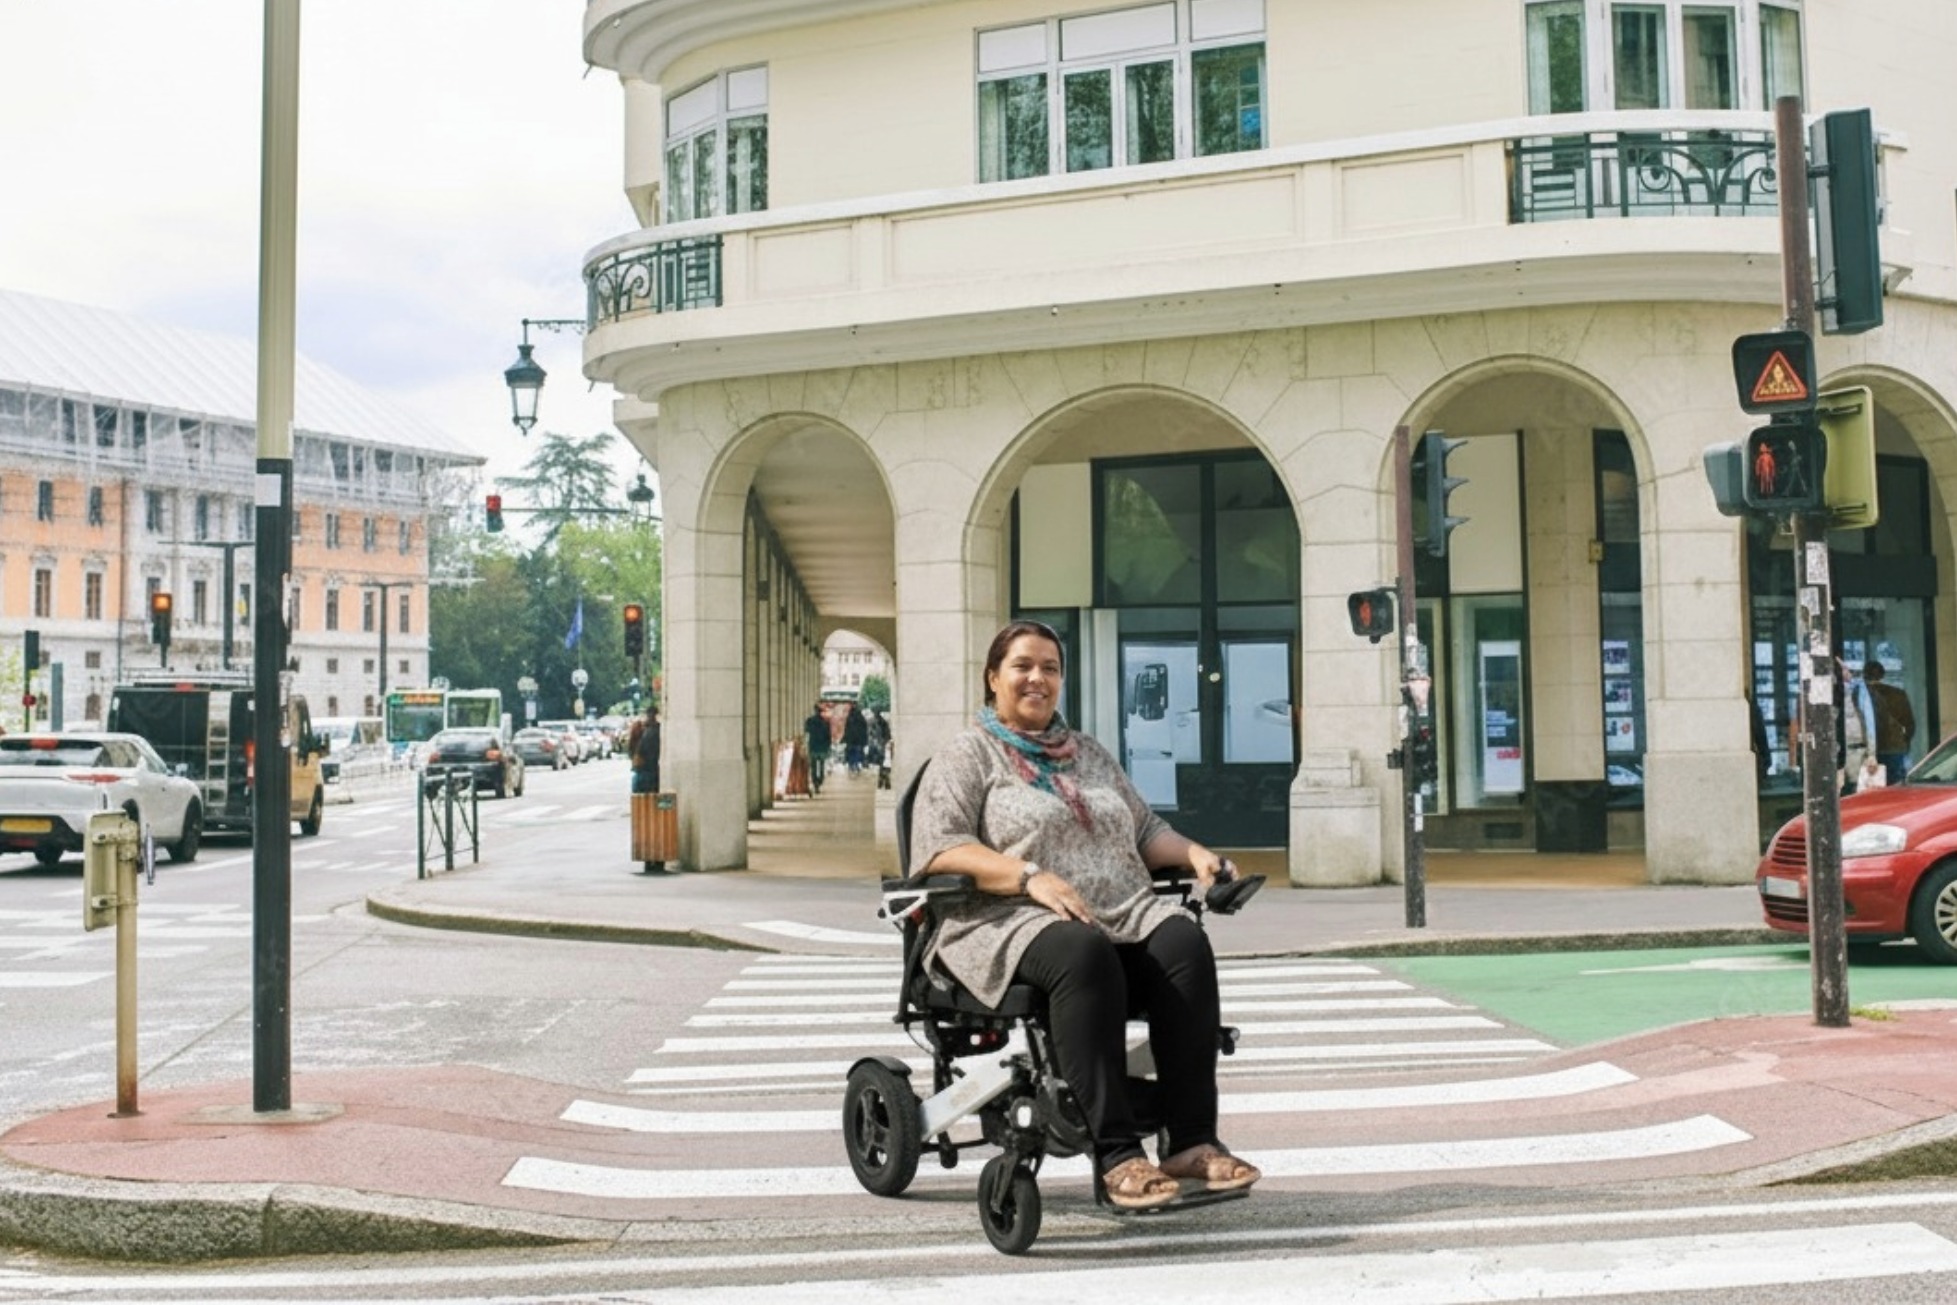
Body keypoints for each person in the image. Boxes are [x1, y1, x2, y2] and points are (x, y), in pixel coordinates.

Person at [908, 619, 1260, 1211]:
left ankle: (1192, 1141)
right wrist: (1029, 876)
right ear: (993, 678)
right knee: (1082, 948)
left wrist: (1196, 854)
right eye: (1022, 666)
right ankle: (1119, 1156)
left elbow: (1146, 829)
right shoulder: (966, 755)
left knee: (1182, 942)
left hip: (1117, 909)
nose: (1037, 678)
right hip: (1005, 919)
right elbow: (941, 849)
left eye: (1049, 667)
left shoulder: (1088, 754)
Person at [1864, 660, 1915, 784]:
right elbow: (1910, 724)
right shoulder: (1898, 694)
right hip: (1894, 746)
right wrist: (1905, 742)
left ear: (1864, 674)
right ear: (1883, 675)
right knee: (1896, 787)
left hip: (1869, 749)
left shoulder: (1861, 693)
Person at [630, 705, 661, 794]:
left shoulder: (643, 729)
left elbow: (635, 749)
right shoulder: (655, 729)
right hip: (651, 768)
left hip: (644, 768)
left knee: (639, 795)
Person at [802, 703, 831, 793]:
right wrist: (828, 746)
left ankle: (815, 783)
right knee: (821, 765)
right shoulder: (825, 722)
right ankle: (820, 780)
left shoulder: (809, 721)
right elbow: (828, 736)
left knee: (814, 766)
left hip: (813, 746)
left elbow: (806, 731)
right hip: (822, 747)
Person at [842, 701, 869, 776]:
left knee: (851, 752)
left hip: (851, 739)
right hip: (858, 740)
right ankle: (855, 765)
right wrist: (864, 740)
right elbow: (864, 729)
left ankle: (852, 765)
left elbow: (846, 729)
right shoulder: (860, 716)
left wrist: (845, 738)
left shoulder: (849, 716)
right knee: (856, 753)